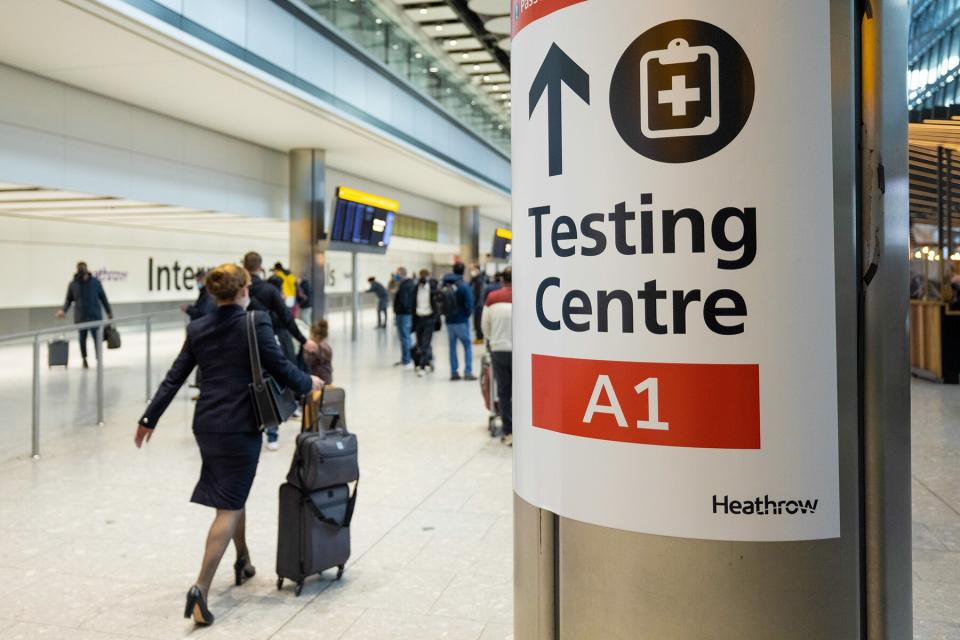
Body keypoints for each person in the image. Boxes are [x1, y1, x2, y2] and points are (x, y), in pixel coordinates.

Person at [134, 263, 322, 627]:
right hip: (240, 425)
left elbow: (175, 378)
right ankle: (200, 588)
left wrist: (148, 419)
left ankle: (243, 559)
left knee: (232, 496)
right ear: (242, 291)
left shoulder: (199, 327)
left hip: (207, 424)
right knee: (229, 505)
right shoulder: (255, 322)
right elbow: (282, 368)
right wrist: (309, 382)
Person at [243, 252, 318, 450]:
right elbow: (286, 317)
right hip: (268, 340)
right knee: (269, 381)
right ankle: (272, 433)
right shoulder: (269, 290)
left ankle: (246, 427)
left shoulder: (240, 289)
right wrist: (303, 340)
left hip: (241, 343)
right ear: (260, 267)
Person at [56, 261, 113, 369]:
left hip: (94, 316)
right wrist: (63, 310)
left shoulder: (95, 283)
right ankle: (84, 359)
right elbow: (68, 300)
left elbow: (103, 297)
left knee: (97, 339)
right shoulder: (73, 284)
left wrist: (109, 311)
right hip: (81, 318)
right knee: (82, 340)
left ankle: (98, 358)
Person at [482, 267, 513, 446]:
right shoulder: (524, 296)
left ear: (502, 280)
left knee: (503, 390)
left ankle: (509, 431)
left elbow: (485, 325)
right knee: (522, 391)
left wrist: (493, 339)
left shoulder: (492, 298)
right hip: (519, 351)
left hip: (499, 349)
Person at [441, 262, 476, 381]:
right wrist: (466, 315)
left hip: (449, 320)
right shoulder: (463, 286)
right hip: (461, 320)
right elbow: (470, 305)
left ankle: (454, 372)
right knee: (467, 346)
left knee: (452, 347)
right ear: (463, 271)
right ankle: (467, 371)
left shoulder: (445, 283)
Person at [413, 269, 438, 376]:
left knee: (425, 343)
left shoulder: (432, 288)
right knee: (420, 343)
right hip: (418, 318)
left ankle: (422, 366)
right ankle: (429, 360)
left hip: (429, 318)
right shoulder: (415, 289)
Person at [393, 267, 417, 369]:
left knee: (405, 337)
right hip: (401, 313)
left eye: (397, 274)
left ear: (402, 274)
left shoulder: (407, 285)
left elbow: (405, 301)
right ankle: (404, 359)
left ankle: (407, 359)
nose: (396, 276)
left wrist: (402, 308)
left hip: (404, 314)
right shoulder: (404, 284)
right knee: (403, 337)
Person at [303, 319, 333, 385]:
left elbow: (306, 361)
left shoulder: (315, 348)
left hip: (319, 381)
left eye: (310, 334)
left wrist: (304, 350)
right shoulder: (327, 346)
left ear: (316, 336)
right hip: (328, 378)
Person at [470, 264, 487, 342]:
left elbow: (480, 293)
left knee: (478, 322)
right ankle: (478, 337)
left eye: (473, 269)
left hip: (479, 305)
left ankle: (480, 338)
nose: (472, 271)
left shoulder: (480, 280)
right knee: (475, 322)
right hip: (476, 304)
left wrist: (479, 304)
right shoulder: (475, 279)